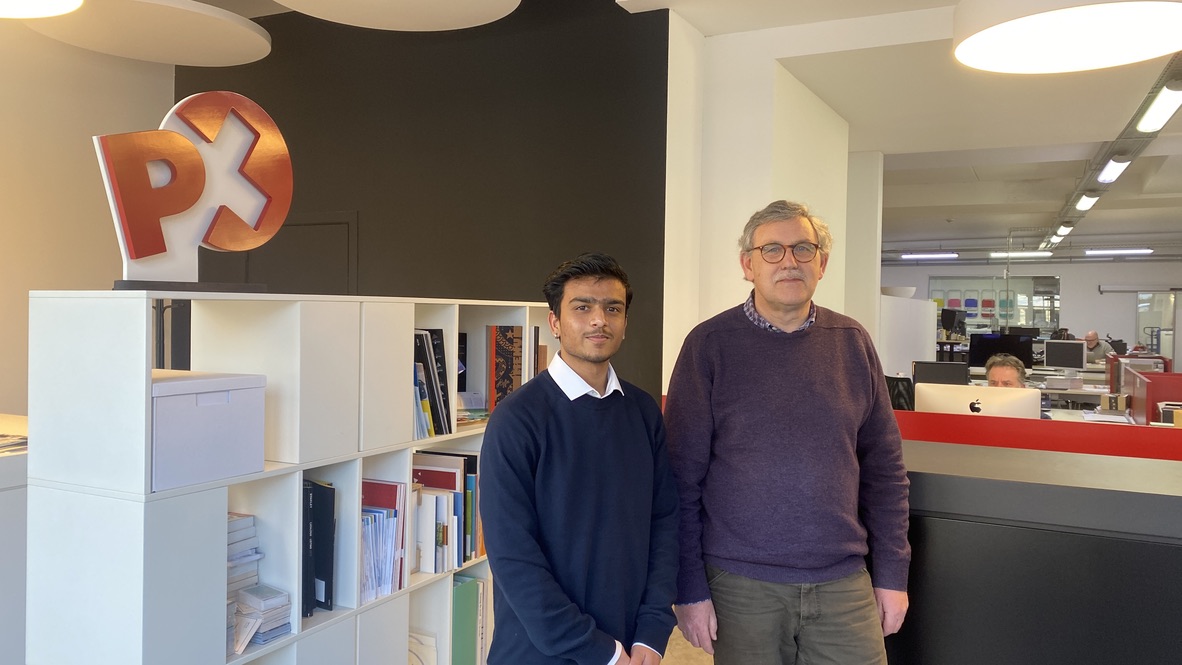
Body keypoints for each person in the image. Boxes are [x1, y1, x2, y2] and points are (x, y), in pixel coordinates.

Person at [664, 200, 911, 665]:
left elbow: (886, 471)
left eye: (803, 248)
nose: (789, 261)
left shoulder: (852, 342)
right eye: (772, 250)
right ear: (748, 265)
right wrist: (689, 587)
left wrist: (892, 574)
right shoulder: (709, 346)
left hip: (843, 580)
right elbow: (679, 479)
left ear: (822, 263)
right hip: (741, 586)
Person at [479, 252, 679, 665]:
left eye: (612, 309)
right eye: (582, 307)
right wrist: (598, 650)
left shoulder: (644, 413)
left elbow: (664, 523)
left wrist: (653, 631)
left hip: (633, 648)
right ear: (555, 323)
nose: (599, 320)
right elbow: (514, 556)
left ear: (625, 323)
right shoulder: (516, 420)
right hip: (541, 653)